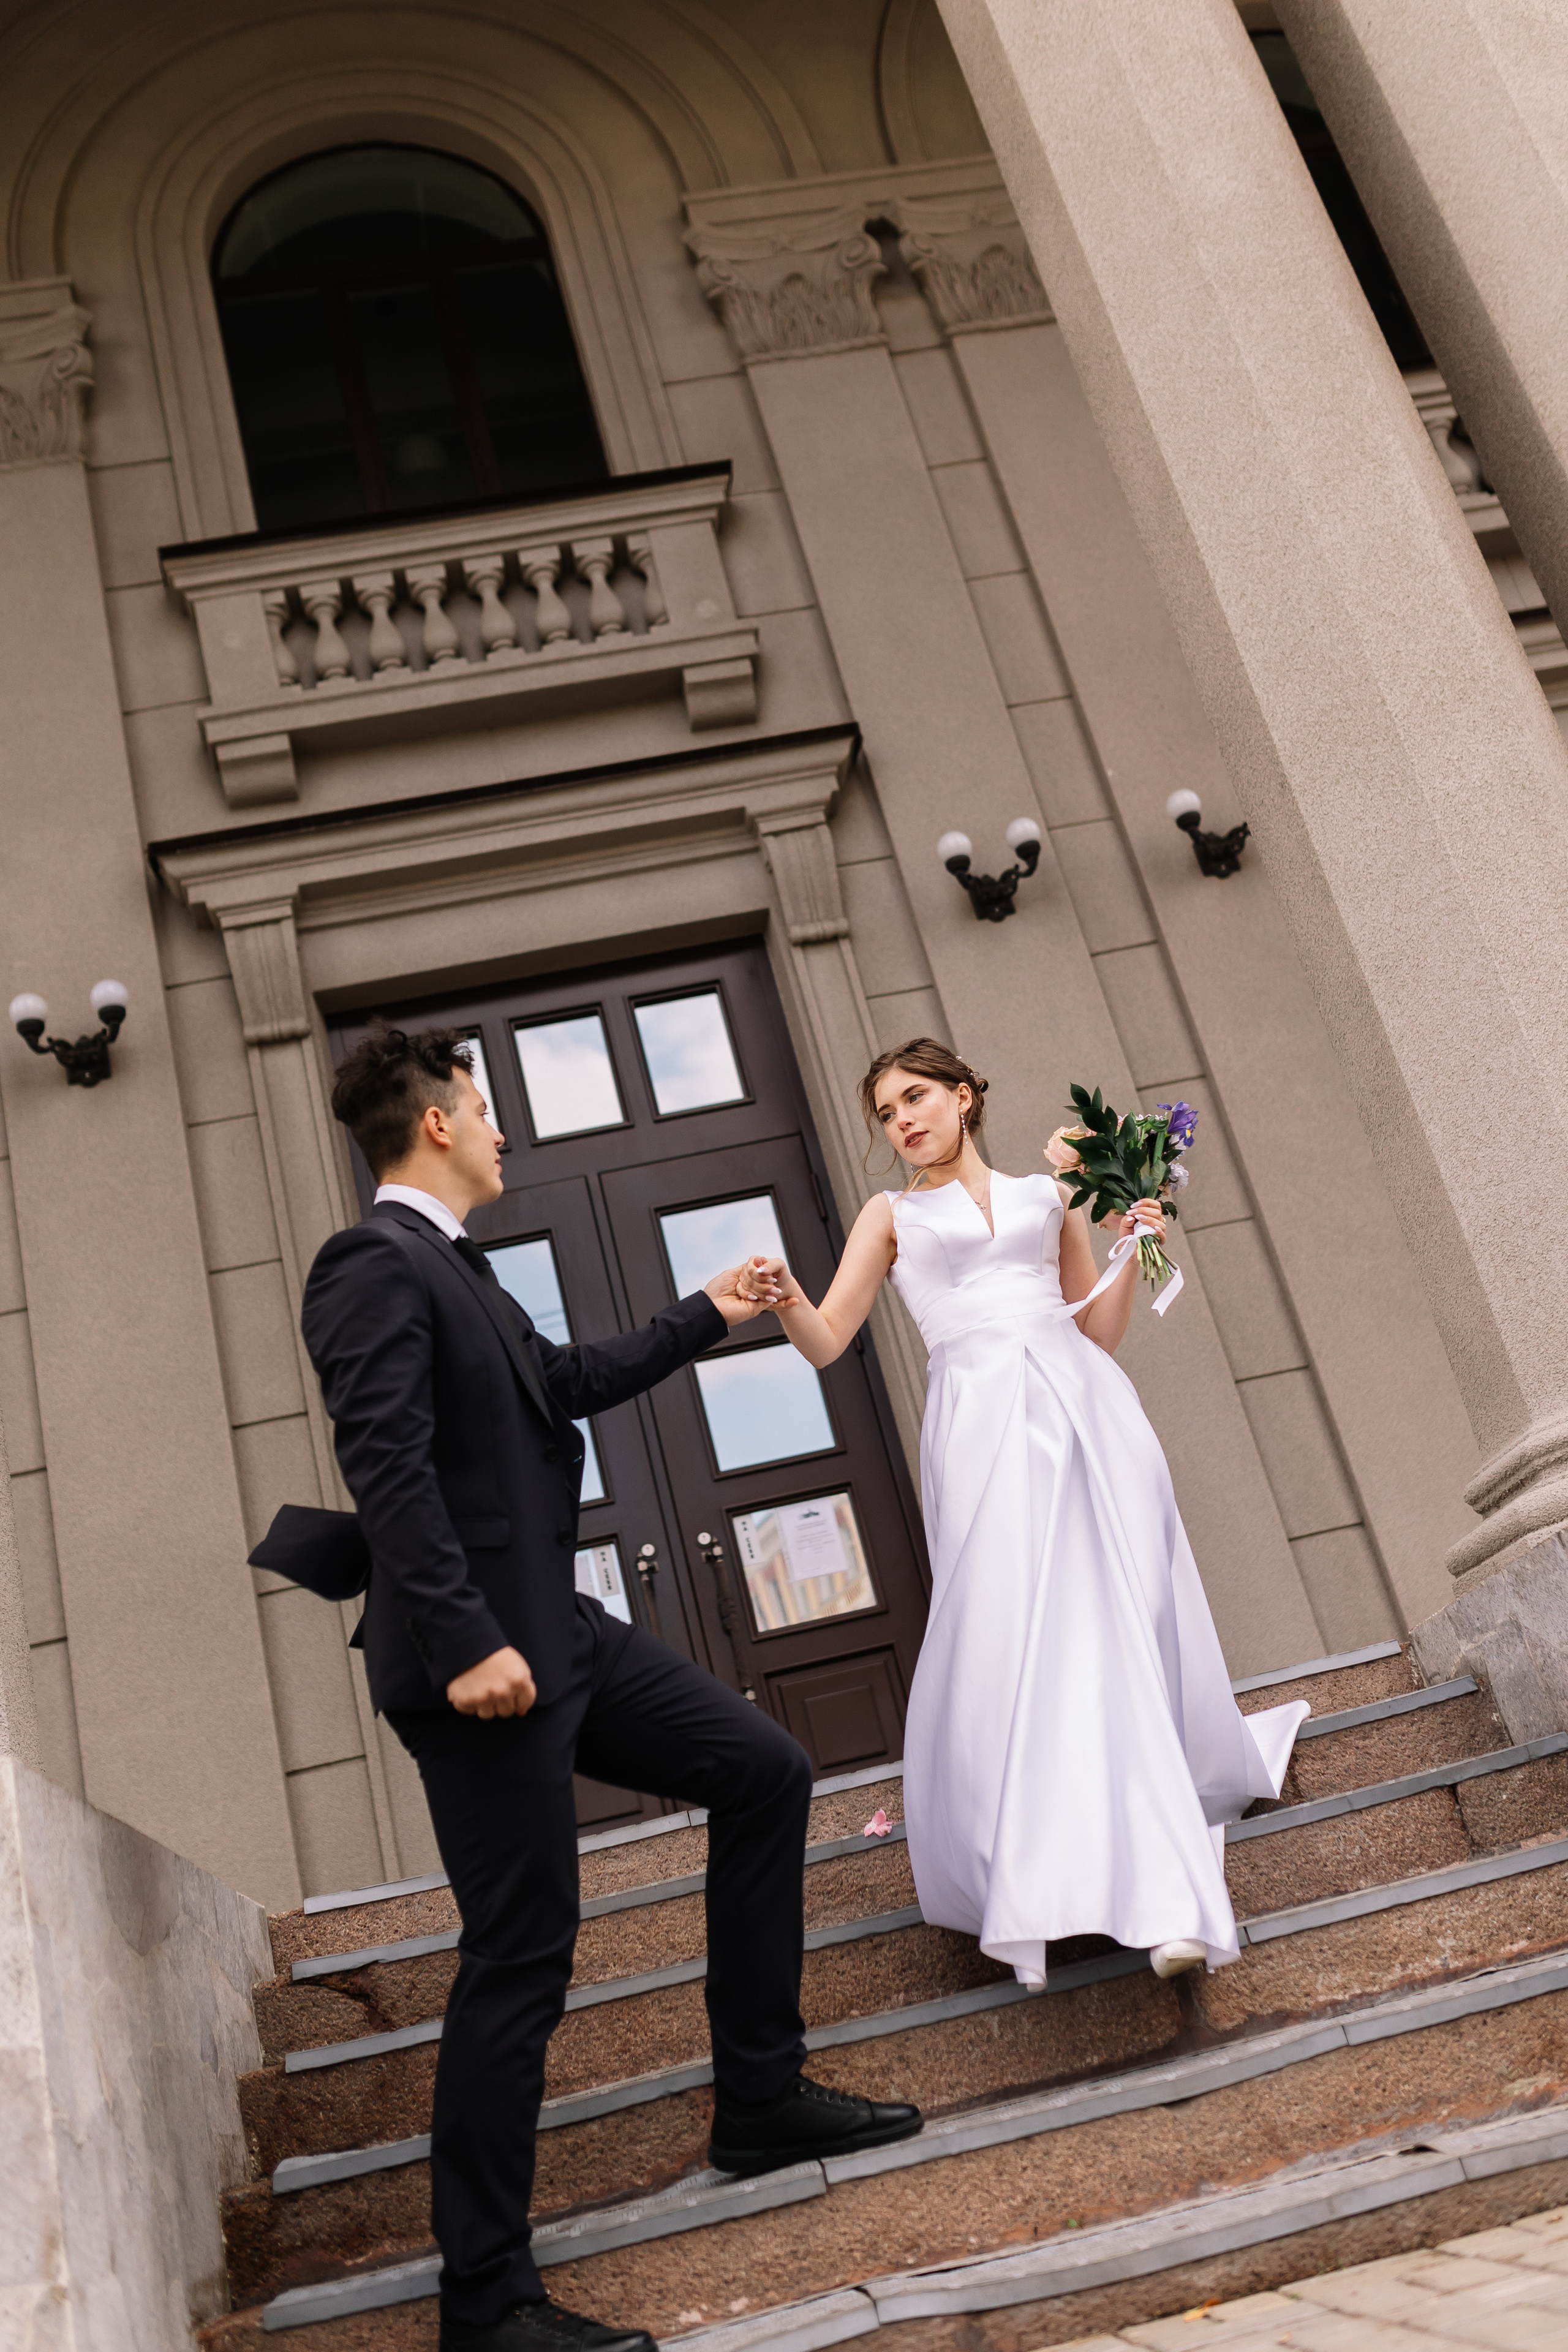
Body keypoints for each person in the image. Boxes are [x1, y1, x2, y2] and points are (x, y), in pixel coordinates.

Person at [300, 1026, 921, 2352]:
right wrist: (465, 1639)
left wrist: (708, 1311)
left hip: (559, 1634)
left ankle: (755, 2098)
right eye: (486, 1109)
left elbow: (564, 1384)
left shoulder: (460, 1273)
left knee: (763, 1771)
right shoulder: (372, 1264)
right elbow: (386, 1464)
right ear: (435, 1127)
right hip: (483, 1665)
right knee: (518, 1957)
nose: (504, 1131)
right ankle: (488, 2300)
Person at [748, 1039, 1306, 1989]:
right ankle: (1038, 1862)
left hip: (1087, 1409)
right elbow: (827, 1340)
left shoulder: (1048, 1200)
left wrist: (1138, 1243)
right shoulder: (891, 1216)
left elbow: (1097, 1330)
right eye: (886, 1112)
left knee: (1117, 1620)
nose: (903, 1121)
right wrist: (788, 1298)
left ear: (964, 1097)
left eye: (916, 1097)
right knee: (1013, 1630)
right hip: (980, 1428)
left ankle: (1165, 1892)